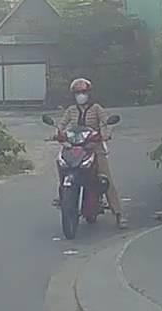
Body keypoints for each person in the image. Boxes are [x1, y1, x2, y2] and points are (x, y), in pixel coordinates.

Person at [53, 78, 126, 229]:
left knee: (105, 178)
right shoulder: (71, 110)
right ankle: (63, 194)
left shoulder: (96, 109)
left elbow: (105, 123)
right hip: (74, 147)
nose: (81, 95)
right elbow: (61, 125)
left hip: (94, 147)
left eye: (83, 92)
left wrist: (105, 134)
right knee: (61, 163)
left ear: (89, 93)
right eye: (78, 93)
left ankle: (119, 214)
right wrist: (57, 134)